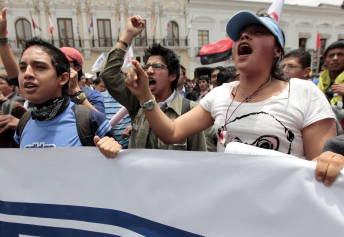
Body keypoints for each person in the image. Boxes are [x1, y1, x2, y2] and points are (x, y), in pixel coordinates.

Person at [98, 11, 343, 187]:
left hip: (283, 212)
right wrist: (144, 96)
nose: (244, 38)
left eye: (257, 33)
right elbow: (171, 132)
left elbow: (319, 171)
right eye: (241, 35)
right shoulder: (220, 95)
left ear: (277, 50)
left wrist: (331, 161)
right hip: (229, 210)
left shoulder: (304, 93)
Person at [0, 37, 117, 154]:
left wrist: (113, 150)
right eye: (22, 68)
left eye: (40, 67)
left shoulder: (89, 119)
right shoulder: (24, 122)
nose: (27, 74)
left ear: (63, 78)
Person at [0, 0, 105, 115]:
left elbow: (101, 124)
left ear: (77, 68)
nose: (28, 73)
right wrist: (0, 36)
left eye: (64, 63)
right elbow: (16, 76)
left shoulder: (92, 95)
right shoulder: (45, 92)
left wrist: (77, 93)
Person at [100, 16, 208, 151]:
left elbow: (200, 155)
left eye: (157, 66)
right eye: (147, 66)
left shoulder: (190, 110)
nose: (149, 71)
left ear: (173, 76)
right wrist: (127, 35)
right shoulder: (137, 101)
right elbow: (108, 74)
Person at [317, 40, 344, 105]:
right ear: (325, 61)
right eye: (331, 55)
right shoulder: (317, 82)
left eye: (340, 55)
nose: (335, 58)